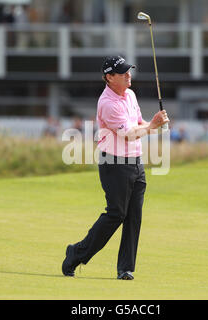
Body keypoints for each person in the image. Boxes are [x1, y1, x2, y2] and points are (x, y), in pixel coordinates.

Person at [62, 55, 169, 280]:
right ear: (109, 78)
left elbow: (139, 123)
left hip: (135, 162)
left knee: (134, 216)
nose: (128, 75)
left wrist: (152, 124)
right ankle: (76, 253)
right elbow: (129, 135)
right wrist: (153, 126)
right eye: (122, 73)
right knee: (116, 214)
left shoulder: (130, 94)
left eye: (128, 71)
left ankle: (125, 269)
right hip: (114, 163)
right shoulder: (108, 103)